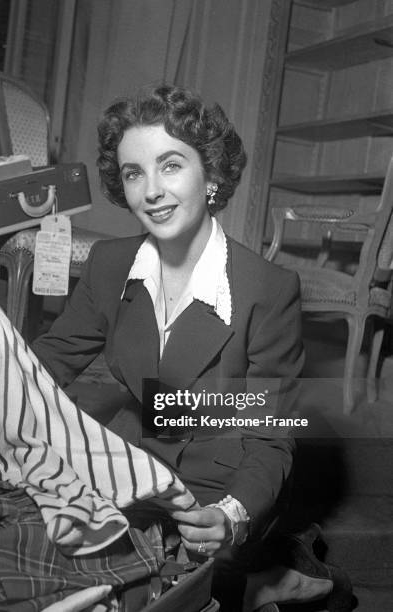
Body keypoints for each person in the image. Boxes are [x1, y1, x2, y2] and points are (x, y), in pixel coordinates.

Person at [31, 85, 352, 611]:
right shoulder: (110, 265)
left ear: (212, 175)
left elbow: (271, 438)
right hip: (137, 458)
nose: (151, 190)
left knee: (179, 590)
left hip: (229, 471)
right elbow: (49, 362)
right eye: (134, 173)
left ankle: (280, 579)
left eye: (171, 165)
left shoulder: (267, 288)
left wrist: (233, 515)